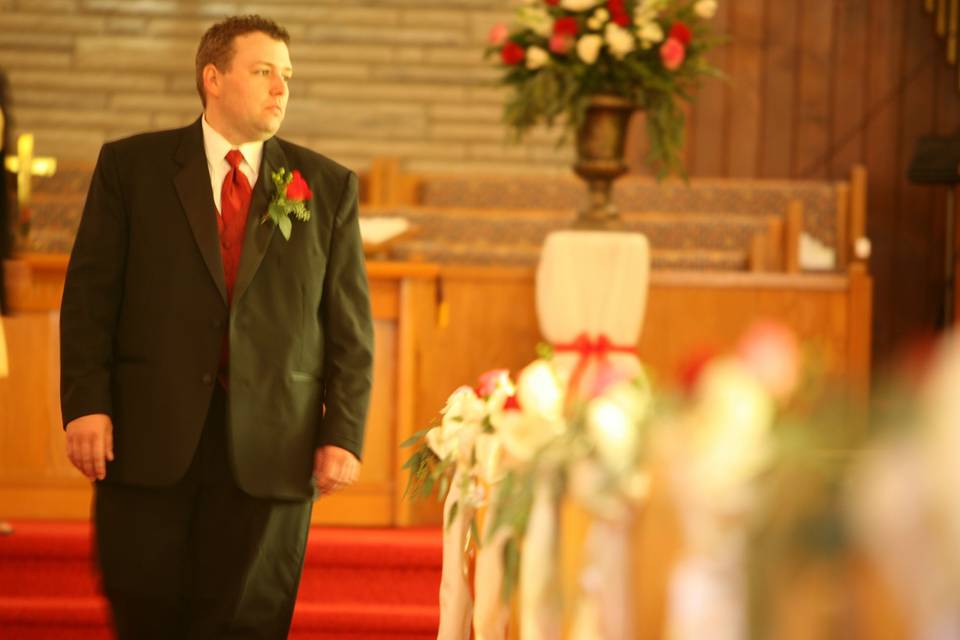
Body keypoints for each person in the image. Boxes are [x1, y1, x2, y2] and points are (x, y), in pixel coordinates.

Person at [59, 14, 373, 639]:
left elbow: (349, 327)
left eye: (286, 76)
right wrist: (85, 405)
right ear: (213, 78)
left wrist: (345, 433)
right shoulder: (132, 169)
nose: (280, 89)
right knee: (146, 609)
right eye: (263, 73)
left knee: (249, 620)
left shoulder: (324, 186)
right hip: (150, 436)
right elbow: (90, 298)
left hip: (272, 445)